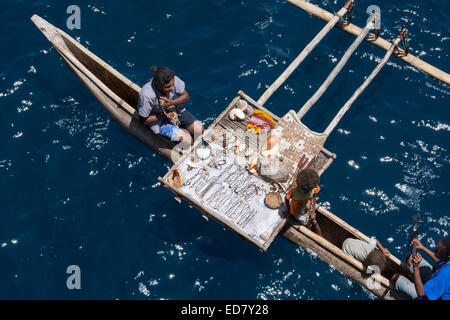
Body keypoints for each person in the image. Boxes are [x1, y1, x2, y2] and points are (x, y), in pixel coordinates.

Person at [138, 66, 203, 144]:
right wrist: (165, 115)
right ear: (158, 85)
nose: (172, 88)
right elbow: (143, 120)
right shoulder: (146, 95)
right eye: (168, 87)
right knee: (188, 141)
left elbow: (186, 96)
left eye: (173, 84)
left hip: (174, 109)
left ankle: (182, 130)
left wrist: (172, 103)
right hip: (158, 120)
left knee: (199, 129)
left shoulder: (171, 78)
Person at [285, 168, 322, 236]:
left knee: (308, 221)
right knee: (305, 222)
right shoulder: (294, 191)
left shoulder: (313, 188)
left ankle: (310, 224)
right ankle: (308, 226)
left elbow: (314, 196)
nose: (308, 192)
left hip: (308, 208)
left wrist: (313, 211)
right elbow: (286, 198)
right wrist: (288, 211)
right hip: (297, 213)